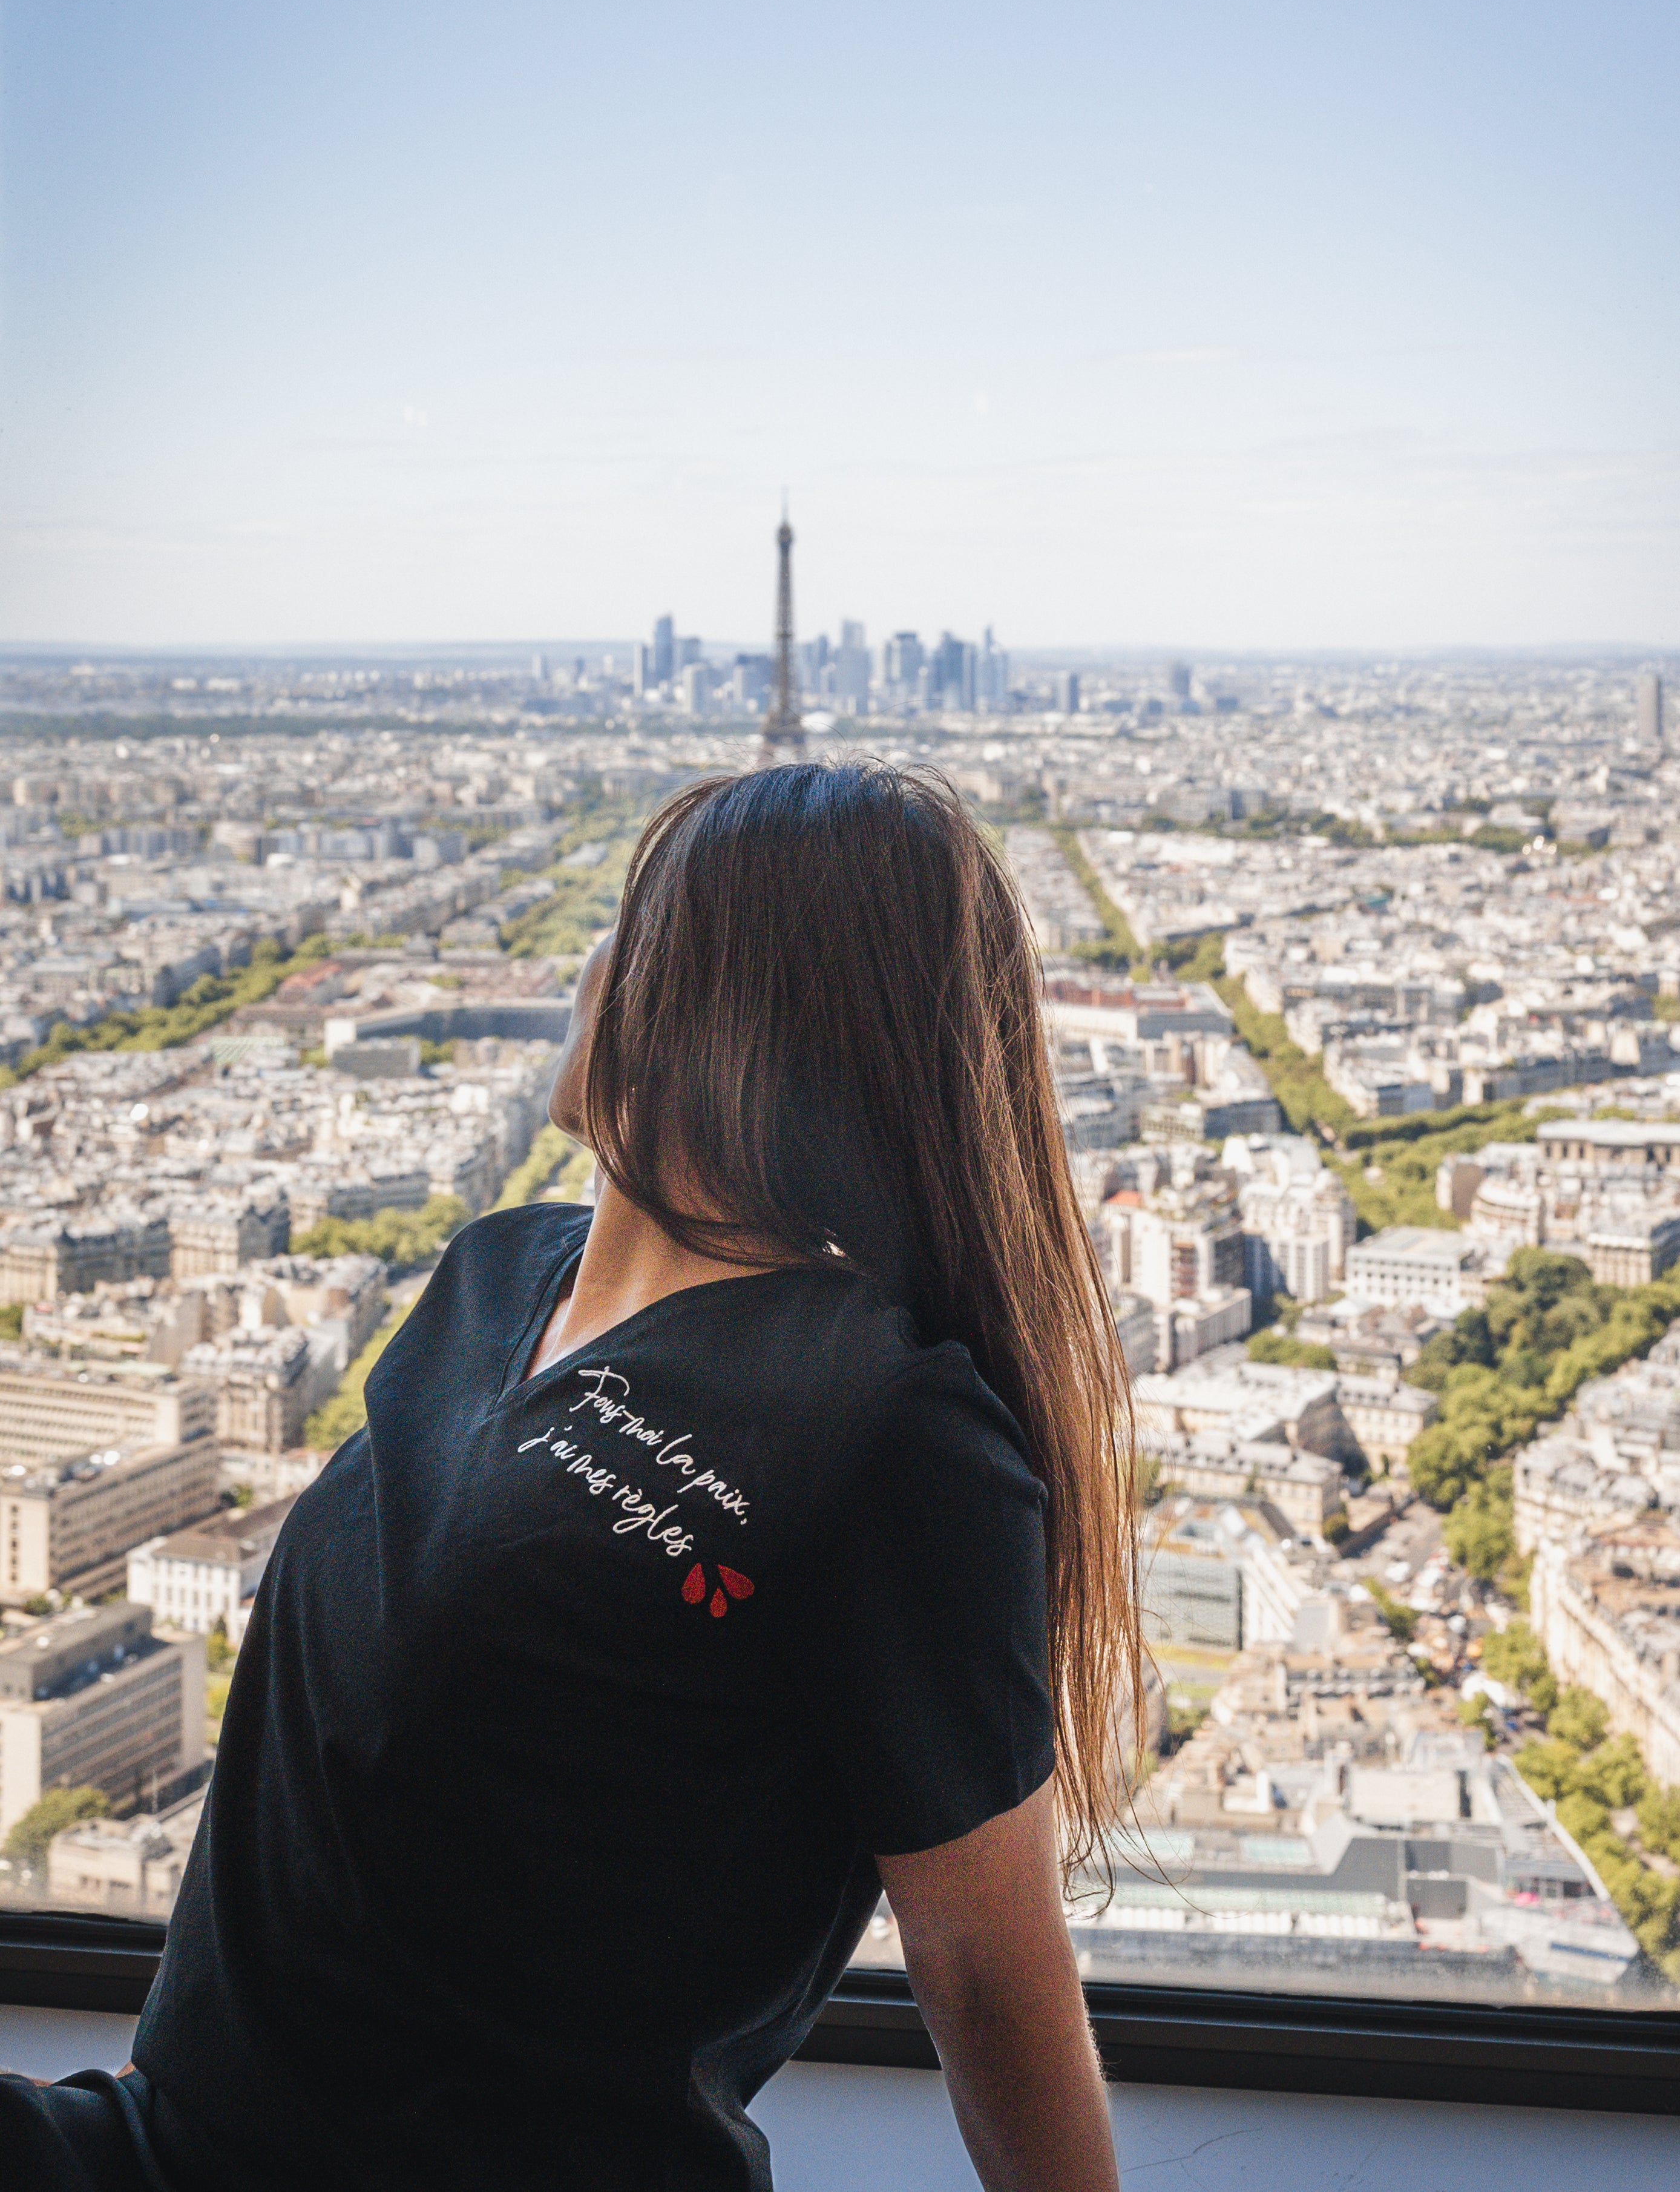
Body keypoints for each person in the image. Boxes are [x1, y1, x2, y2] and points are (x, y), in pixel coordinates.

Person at [0, 762, 1141, 2191]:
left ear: (728, 1015)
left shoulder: (888, 1437)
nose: (592, 964)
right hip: (179, 2145)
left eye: (638, 930)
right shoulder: (493, 1277)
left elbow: (985, 1969)